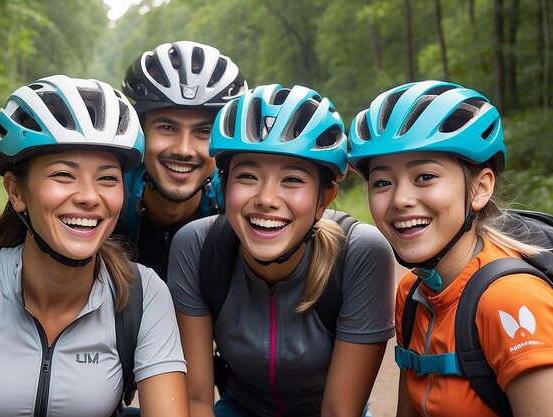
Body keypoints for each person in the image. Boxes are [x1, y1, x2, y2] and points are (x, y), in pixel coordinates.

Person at [0, 75, 189, 417]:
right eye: (63, 175)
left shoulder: (142, 295)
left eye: (107, 178)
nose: (89, 197)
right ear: (16, 191)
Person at [167, 84, 396, 417]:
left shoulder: (360, 253)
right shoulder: (198, 246)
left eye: (292, 179)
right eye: (247, 175)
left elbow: (339, 412)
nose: (267, 199)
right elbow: (196, 400)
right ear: (224, 185)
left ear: (324, 199)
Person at [347, 80, 553, 416]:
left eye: (425, 177)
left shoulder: (512, 299)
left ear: (480, 188)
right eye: (382, 182)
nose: (400, 199)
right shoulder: (411, 292)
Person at [118, 40, 248, 280]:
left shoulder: (235, 203)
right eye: (167, 127)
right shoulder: (111, 197)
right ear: (139, 132)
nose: (184, 149)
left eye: (203, 132)